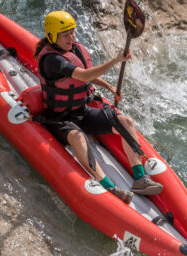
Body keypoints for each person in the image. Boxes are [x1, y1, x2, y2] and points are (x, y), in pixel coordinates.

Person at [33, 10, 163, 204]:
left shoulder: (73, 50)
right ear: (52, 36)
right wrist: (116, 60)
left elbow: (87, 75)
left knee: (125, 121)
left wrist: (109, 87)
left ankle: (140, 178)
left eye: (72, 32)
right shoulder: (53, 60)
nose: (71, 37)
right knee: (78, 137)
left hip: (82, 112)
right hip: (60, 119)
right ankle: (109, 187)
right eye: (65, 34)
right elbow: (83, 76)